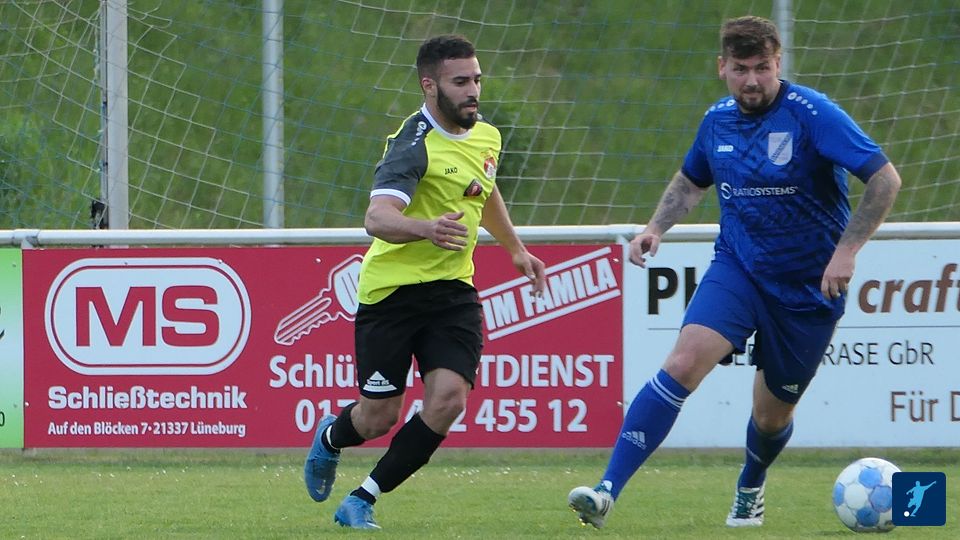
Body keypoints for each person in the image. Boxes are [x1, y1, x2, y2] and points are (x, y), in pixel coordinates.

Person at [568, 15, 901, 529]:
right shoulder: (717, 120)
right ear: (721, 67)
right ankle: (606, 491)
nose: (752, 80)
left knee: (771, 416)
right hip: (739, 269)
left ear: (778, 63)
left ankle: (751, 482)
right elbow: (691, 180)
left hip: (808, 287)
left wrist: (847, 251)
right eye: (741, 69)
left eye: (762, 67)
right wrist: (655, 227)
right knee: (683, 362)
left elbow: (884, 179)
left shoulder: (813, 114)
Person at [303, 34, 546, 530]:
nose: (473, 90)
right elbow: (376, 218)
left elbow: (483, 187)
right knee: (377, 418)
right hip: (391, 295)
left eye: (476, 79)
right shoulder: (412, 146)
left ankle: (362, 499)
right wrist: (426, 229)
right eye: (460, 82)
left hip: (452, 292)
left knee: (450, 399)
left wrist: (515, 248)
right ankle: (330, 437)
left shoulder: (487, 136)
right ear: (429, 85)